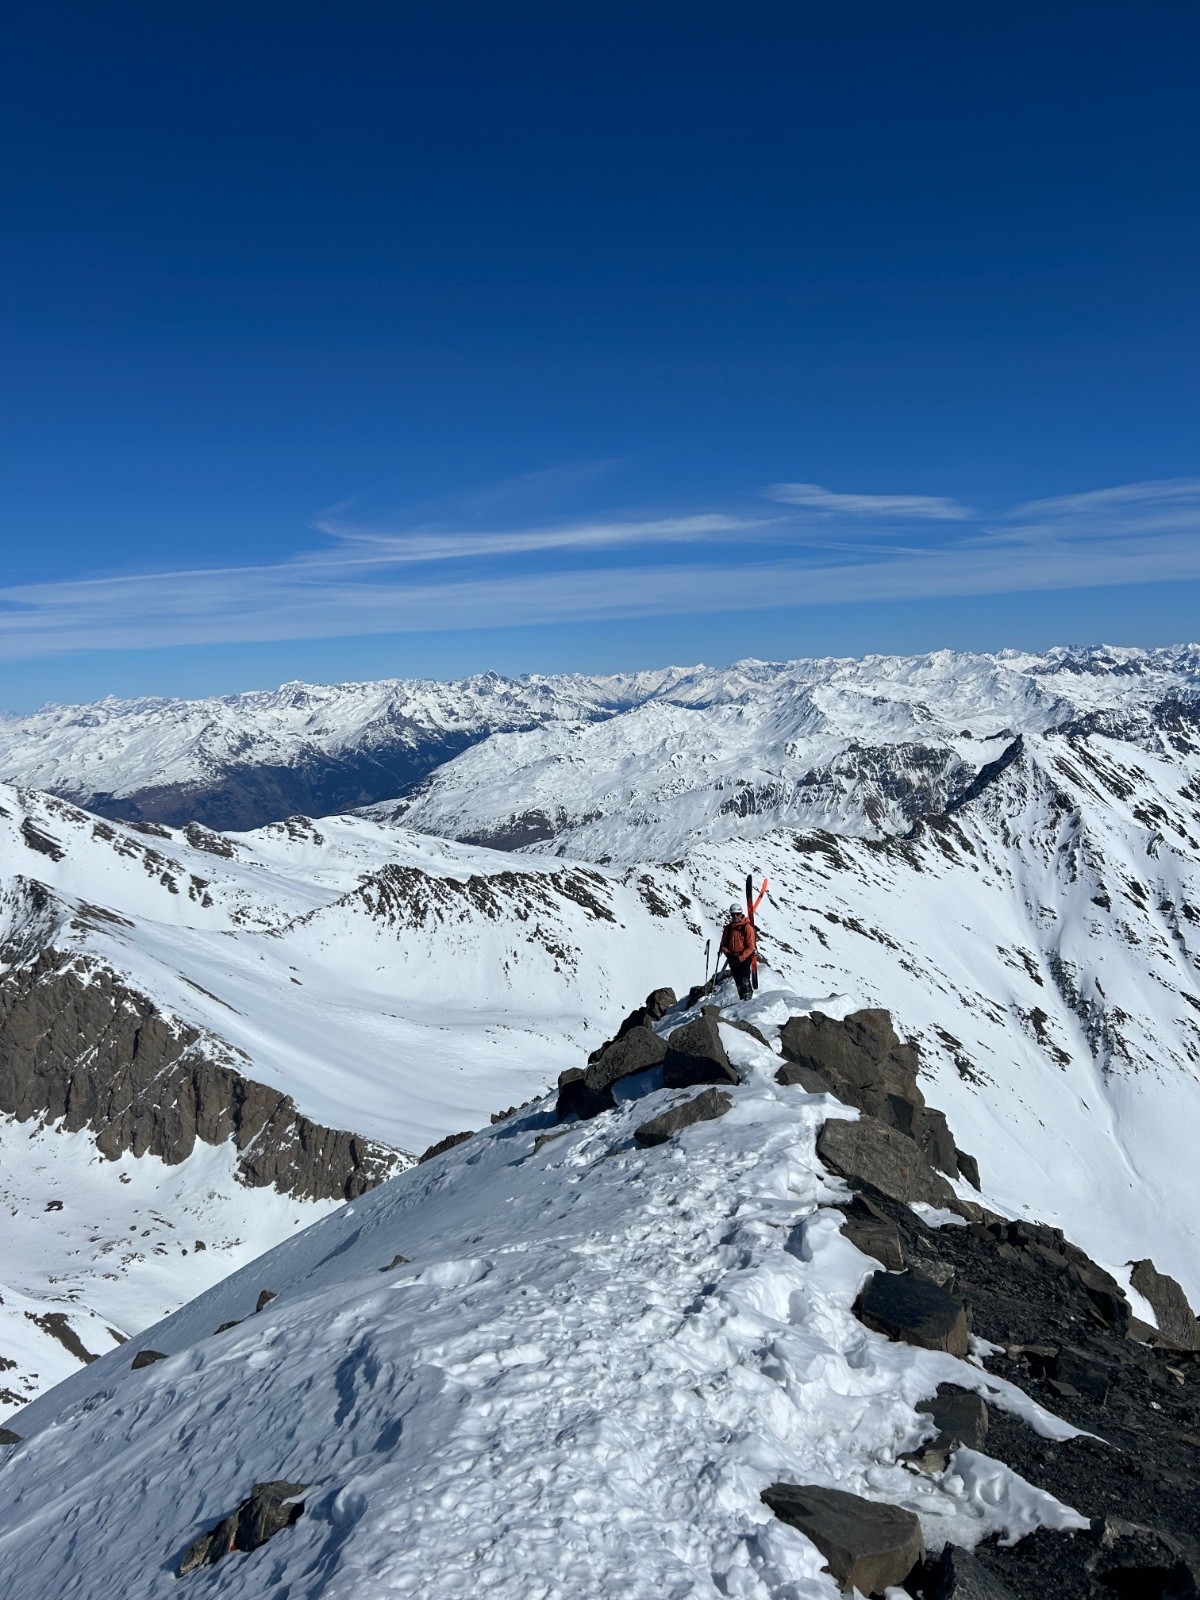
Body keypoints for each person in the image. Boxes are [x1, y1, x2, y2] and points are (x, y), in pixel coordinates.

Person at [719, 902, 756, 1000]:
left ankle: (748, 1000)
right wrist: (728, 954)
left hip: (744, 957)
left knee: (745, 980)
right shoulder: (728, 928)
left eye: (737, 914)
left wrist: (740, 958)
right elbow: (723, 944)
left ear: (741, 914)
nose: (735, 916)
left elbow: (751, 946)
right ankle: (742, 1001)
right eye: (733, 914)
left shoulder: (747, 928)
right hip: (733, 957)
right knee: (738, 982)